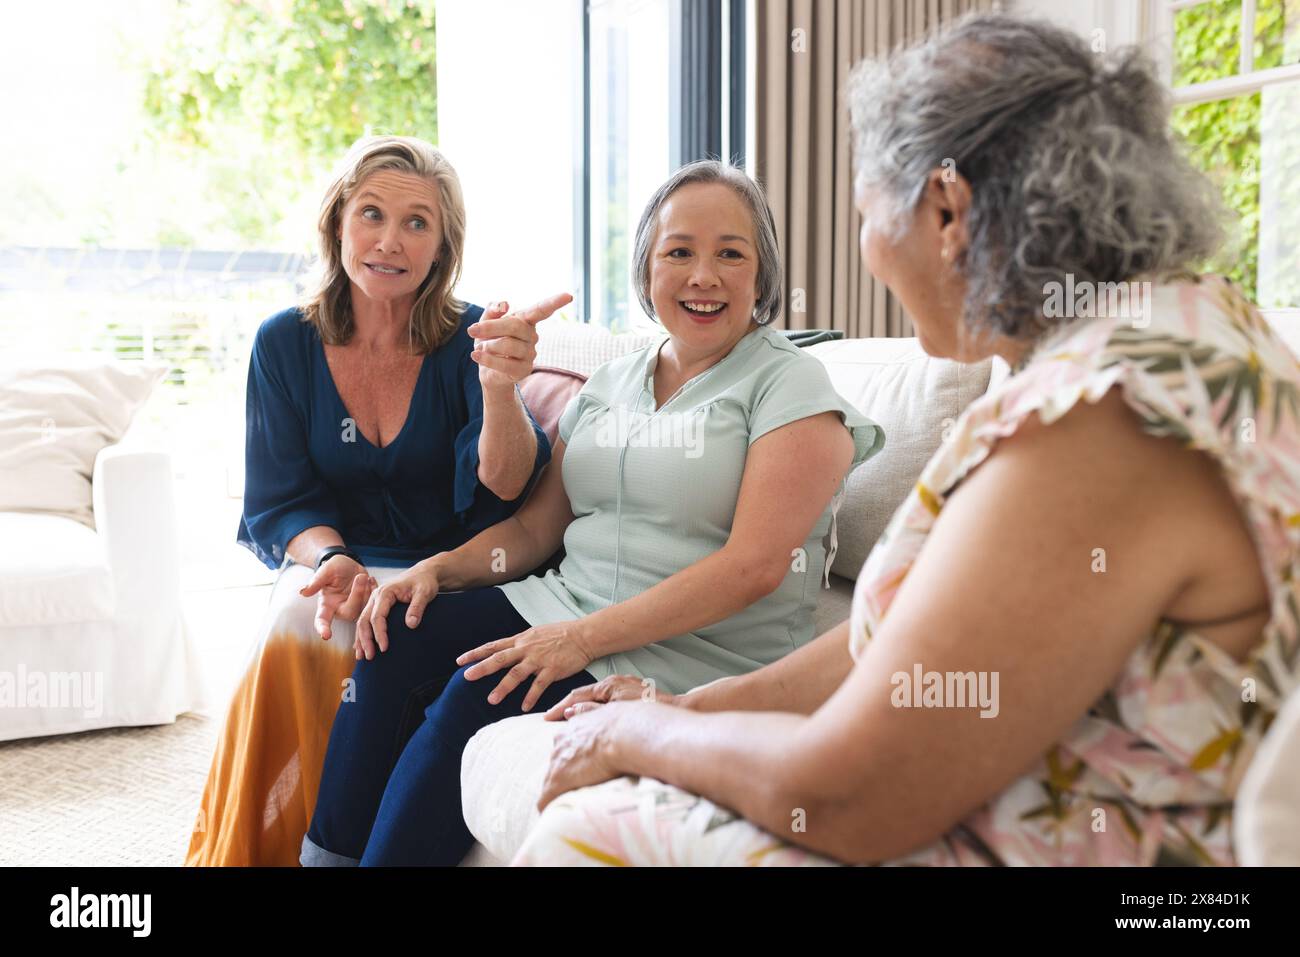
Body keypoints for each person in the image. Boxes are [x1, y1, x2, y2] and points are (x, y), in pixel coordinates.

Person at [517, 12, 1300, 867]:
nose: (867, 253)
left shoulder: (1101, 419)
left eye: (863, 211)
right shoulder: (1185, 328)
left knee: (585, 830)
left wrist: (635, 733)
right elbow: (906, 646)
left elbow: (845, 798)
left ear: (947, 209)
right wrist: (686, 710)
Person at [301, 160, 885, 866]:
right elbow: (532, 530)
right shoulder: (612, 382)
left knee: (476, 692)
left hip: (690, 646)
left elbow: (755, 567)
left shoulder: (789, 383)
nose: (703, 275)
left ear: (762, 276)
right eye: (679, 252)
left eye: (731, 253)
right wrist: (435, 570)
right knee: (393, 626)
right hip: (564, 605)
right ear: (646, 269)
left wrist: (578, 641)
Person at [185, 135, 566, 865]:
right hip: (340, 555)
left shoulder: (471, 339)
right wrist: (333, 556)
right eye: (372, 214)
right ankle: (257, 850)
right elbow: (283, 495)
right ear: (338, 223)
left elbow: (508, 484)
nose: (391, 241)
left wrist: (499, 387)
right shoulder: (282, 344)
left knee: (384, 631)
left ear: (441, 247)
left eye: (418, 223)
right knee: (304, 615)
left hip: (454, 568)